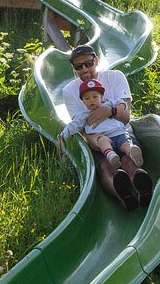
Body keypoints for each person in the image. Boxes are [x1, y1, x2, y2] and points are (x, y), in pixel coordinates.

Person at [59, 44, 154, 210]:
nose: (85, 69)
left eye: (88, 63)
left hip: (122, 132)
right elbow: (79, 128)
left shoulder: (115, 77)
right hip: (97, 140)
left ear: (96, 60)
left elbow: (126, 117)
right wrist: (93, 140)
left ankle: (139, 184)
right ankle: (124, 196)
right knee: (104, 167)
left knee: (128, 159)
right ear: (73, 68)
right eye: (79, 66)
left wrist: (108, 111)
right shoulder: (70, 91)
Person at [59, 79, 144, 171]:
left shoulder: (108, 104)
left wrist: (117, 108)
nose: (91, 100)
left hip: (118, 132)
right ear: (83, 102)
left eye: (95, 97)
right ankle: (111, 155)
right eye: (87, 98)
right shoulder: (84, 115)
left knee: (125, 143)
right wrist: (63, 135)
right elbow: (74, 125)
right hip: (102, 136)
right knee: (102, 141)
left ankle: (132, 152)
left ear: (101, 98)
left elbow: (122, 103)